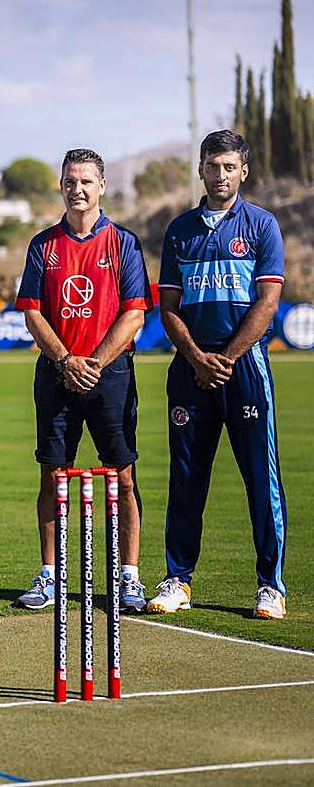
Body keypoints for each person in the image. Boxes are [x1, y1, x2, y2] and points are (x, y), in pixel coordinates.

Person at [147, 129, 289, 619]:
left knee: (259, 476)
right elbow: (167, 308)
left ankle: (270, 585)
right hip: (191, 369)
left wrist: (225, 357)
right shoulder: (180, 230)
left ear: (243, 172)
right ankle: (177, 579)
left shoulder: (262, 226)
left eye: (230, 166)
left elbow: (268, 302)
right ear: (201, 169)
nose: (221, 174)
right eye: (213, 165)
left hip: (244, 366)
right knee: (187, 478)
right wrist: (195, 357)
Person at [13, 148, 152, 613]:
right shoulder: (43, 245)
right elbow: (32, 313)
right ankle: (50, 575)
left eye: (86, 181)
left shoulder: (124, 243)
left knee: (123, 476)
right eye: (70, 180)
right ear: (61, 185)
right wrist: (66, 360)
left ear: (102, 186)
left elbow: (134, 314)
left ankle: (128, 577)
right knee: (53, 476)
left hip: (110, 376)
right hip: (56, 375)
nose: (78, 189)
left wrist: (92, 362)